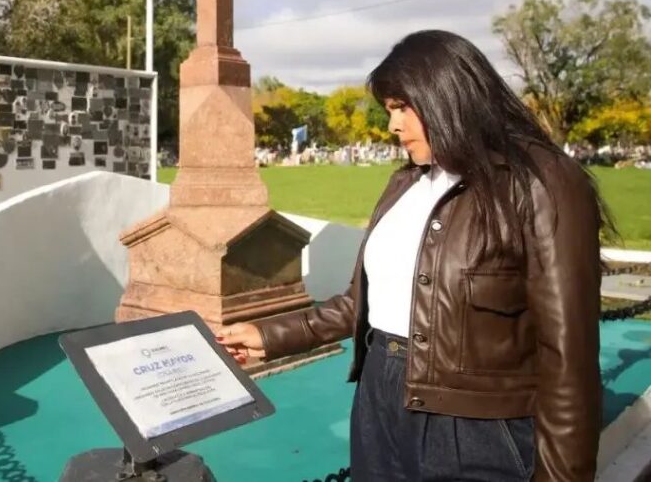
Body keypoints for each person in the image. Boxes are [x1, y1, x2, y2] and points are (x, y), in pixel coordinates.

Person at [219, 30, 609, 481]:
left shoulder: (542, 182)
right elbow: (361, 303)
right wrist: (267, 335)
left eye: (403, 107)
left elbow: (568, 356)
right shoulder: (404, 184)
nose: (393, 126)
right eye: (390, 110)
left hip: (476, 428)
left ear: (447, 95)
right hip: (378, 404)